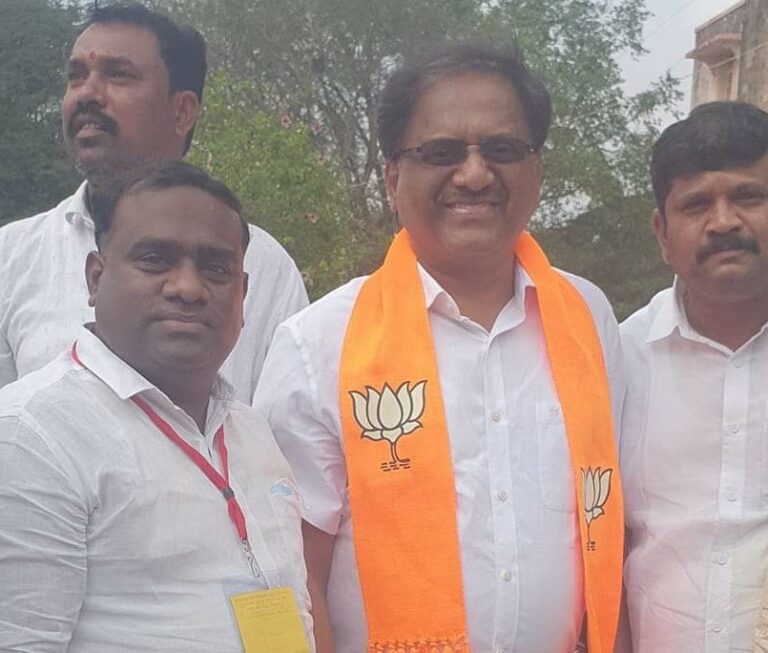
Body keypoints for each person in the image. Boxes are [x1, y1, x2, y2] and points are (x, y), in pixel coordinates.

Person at [254, 44, 625, 653]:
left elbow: (607, 528)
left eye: (502, 149)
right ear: (392, 177)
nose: (474, 174)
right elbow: (295, 571)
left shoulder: (589, 317)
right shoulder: (317, 343)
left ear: (536, 169)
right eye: (441, 153)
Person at [0, 162, 313, 652]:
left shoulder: (251, 431)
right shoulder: (32, 435)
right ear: (95, 278)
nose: (187, 287)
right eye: (154, 260)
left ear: (244, 294)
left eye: (216, 269)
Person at [0, 3, 307, 402]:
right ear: (95, 275)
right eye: (76, 76)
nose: (87, 94)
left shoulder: (263, 265)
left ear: (181, 111)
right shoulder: (12, 257)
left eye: (117, 74)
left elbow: (274, 432)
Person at [620, 101, 768, 652]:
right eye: (696, 204)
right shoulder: (618, 361)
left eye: (749, 197)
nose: (724, 222)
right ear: (661, 233)